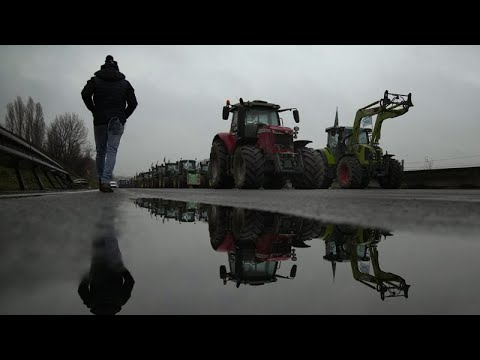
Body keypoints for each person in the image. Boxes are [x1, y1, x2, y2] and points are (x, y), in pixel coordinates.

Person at [81, 55, 138, 192]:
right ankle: (106, 180)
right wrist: (123, 116)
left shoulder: (95, 80)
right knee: (112, 150)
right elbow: (133, 103)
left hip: (100, 119)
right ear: (116, 68)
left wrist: (94, 110)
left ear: (104, 66)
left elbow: (85, 94)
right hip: (117, 120)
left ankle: (101, 180)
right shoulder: (125, 83)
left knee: (101, 151)